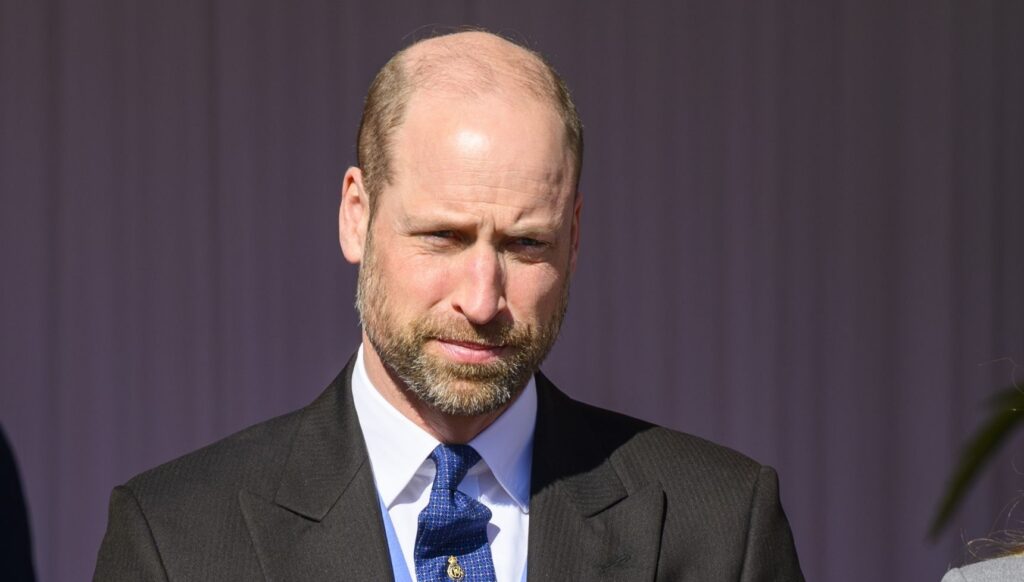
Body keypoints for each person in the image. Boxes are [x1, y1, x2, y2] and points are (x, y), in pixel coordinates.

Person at [95, 30, 804, 581]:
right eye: (443, 237)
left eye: (526, 244)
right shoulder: (177, 541)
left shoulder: (720, 530)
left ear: (575, 237)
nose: (482, 298)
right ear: (356, 216)